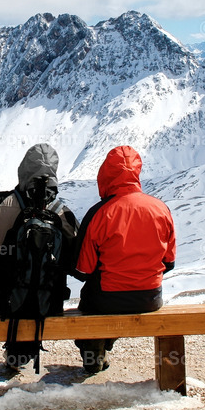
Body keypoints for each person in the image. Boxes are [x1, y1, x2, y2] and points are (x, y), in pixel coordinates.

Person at [0, 143, 78, 370]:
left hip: (1, 301)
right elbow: (78, 252)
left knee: (11, 299)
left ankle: (16, 354)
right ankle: (24, 352)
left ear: (23, 170)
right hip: (48, 303)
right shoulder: (61, 211)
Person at [73, 145, 176, 373]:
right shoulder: (161, 209)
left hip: (106, 299)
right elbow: (169, 262)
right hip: (150, 298)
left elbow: (84, 270)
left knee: (89, 301)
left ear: (105, 175)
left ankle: (94, 354)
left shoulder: (100, 213)